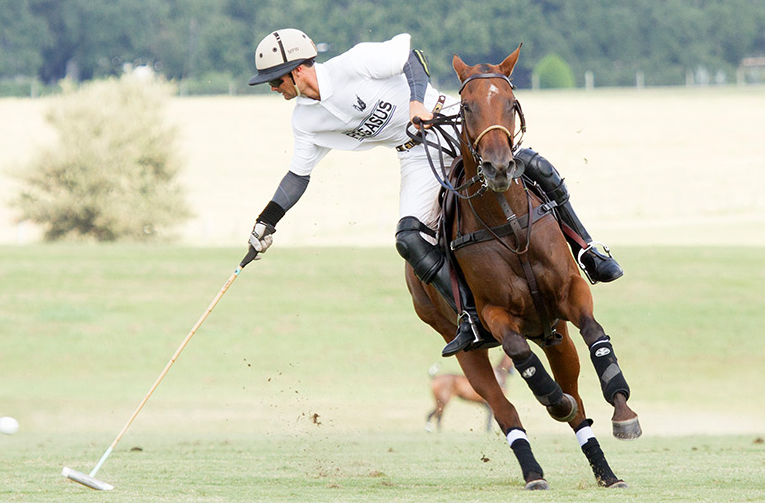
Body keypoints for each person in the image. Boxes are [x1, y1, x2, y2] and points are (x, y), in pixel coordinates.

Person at [245, 29, 623, 357]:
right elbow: (297, 176)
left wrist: (414, 101)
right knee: (408, 238)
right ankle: (471, 316)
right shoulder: (305, 119)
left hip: (454, 121)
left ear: (296, 70)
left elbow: (409, 57)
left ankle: (588, 251)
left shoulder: (352, 64)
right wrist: (266, 223)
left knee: (535, 167)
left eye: (276, 81)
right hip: (415, 155)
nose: (275, 89)